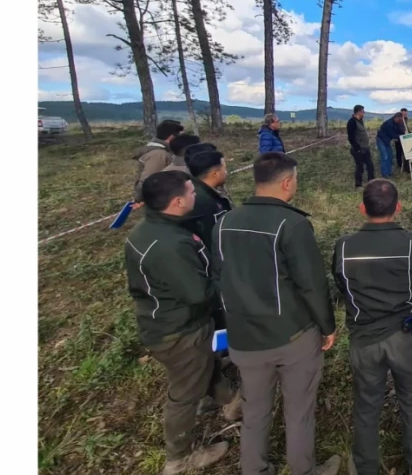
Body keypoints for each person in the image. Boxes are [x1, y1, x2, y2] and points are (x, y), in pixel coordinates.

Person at [210, 153, 341, 475]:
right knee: (299, 411)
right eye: (295, 179)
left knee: (255, 411)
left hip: (244, 338)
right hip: (291, 335)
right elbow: (311, 284)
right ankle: (303, 469)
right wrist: (327, 326)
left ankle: (254, 469)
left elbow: (217, 278)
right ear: (286, 182)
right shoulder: (292, 224)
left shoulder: (223, 223)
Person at [123, 170, 241, 475]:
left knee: (206, 364)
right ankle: (178, 459)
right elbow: (199, 293)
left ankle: (231, 404)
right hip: (179, 330)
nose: (195, 196)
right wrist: (232, 278)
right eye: (191, 192)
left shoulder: (148, 230)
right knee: (184, 393)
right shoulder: (171, 245)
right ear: (177, 202)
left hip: (167, 321)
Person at [332, 180, 412, 475]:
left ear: (361, 208)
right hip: (405, 335)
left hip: (363, 337)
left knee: (367, 402)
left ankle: (366, 466)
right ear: (398, 207)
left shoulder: (344, 246)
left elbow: (341, 285)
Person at [180, 150, 232, 249]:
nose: (226, 172)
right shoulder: (204, 201)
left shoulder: (198, 191)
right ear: (215, 173)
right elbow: (211, 235)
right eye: (224, 169)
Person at [133, 120, 186, 202]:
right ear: (171, 137)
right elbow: (147, 182)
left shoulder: (163, 152)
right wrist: (140, 199)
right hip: (161, 202)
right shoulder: (159, 155)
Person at [347, 105, 376, 188]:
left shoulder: (360, 121)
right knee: (360, 167)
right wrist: (357, 148)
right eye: (363, 111)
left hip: (365, 148)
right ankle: (358, 185)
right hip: (358, 150)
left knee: (370, 165)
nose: (364, 113)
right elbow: (351, 137)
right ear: (358, 112)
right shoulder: (352, 122)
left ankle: (371, 182)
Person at [375, 112, 405, 179]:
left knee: (390, 156)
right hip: (381, 140)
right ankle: (384, 174)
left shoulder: (395, 123)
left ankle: (389, 173)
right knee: (385, 157)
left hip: (387, 141)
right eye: (399, 120)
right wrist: (403, 136)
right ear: (396, 118)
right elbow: (393, 135)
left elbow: (397, 132)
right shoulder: (389, 124)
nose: (400, 122)